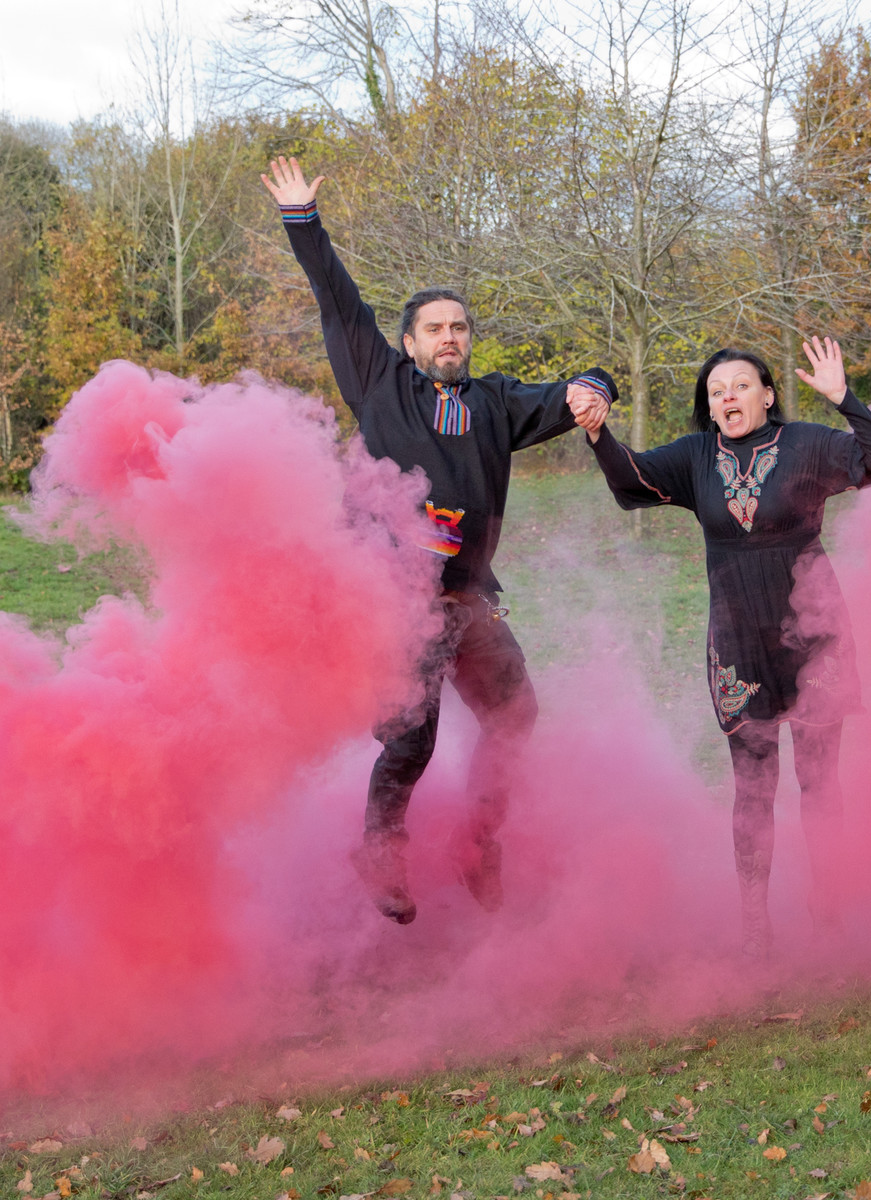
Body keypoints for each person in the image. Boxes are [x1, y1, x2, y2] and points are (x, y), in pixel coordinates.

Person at [261, 155, 617, 926]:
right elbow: (337, 300)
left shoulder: (496, 401)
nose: (449, 338)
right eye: (435, 329)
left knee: (516, 719)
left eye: (459, 328)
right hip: (398, 605)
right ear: (410, 342)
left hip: (470, 601)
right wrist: (303, 223)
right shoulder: (379, 382)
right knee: (411, 741)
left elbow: (577, 384)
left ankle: (480, 846)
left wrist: (596, 389)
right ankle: (379, 849)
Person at [574, 338, 871, 958]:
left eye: (742, 385)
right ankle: (755, 926)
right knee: (753, 787)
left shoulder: (806, 443)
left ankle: (827, 913)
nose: (728, 395)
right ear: (709, 404)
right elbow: (631, 481)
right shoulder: (697, 456)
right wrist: (599, 433)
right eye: (717, 389)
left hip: (814, 633)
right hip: (738, 639)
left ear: (767, 395)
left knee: (818, 782)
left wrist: (843, 398)